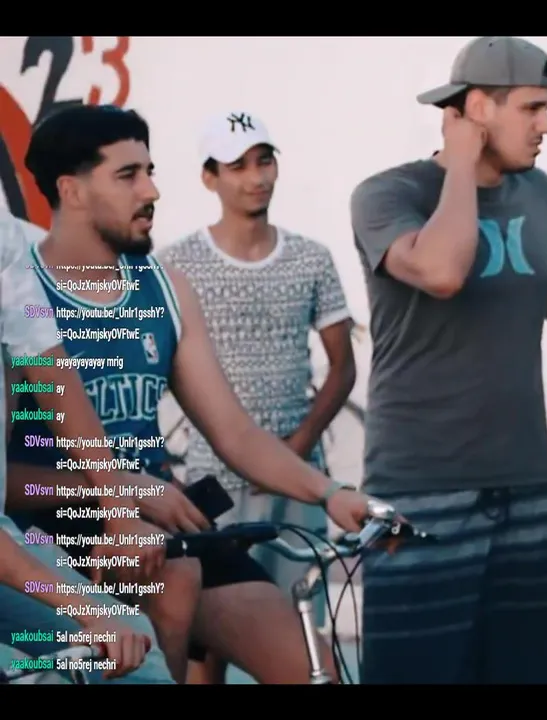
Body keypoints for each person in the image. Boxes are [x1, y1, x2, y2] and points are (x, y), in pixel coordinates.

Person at [6, 104, 375, 684]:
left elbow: (235, 434)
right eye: (128, 176)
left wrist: (330, 493)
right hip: (52, 530)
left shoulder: (164, 288)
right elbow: (7, 481)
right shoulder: (19, 296)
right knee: (166, 597)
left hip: (167, 523)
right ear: (71, 190)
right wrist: (126, 489)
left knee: (314, 670)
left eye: (150, 171)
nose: (152, 191)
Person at [349, 36, 547, 684]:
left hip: (525, 484)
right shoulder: (386, 193)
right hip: (421, 491)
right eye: (532, 108)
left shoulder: (539, 193)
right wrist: (461, 163)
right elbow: (441, 271)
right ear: (479, 108)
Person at [157, 112, 355, 682]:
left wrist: (297, 447)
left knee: (303, 638)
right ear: (209, 177)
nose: (255, 177)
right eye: (237, 165)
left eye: (264, 161)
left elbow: (342, 367)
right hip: (211, 484)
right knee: (210, 644)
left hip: (296, 480)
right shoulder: (176, 263)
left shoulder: (311, 257)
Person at [0, 211, 170, 684]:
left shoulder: (4, 234)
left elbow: (47, 365)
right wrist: (85, 611)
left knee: (137, 654)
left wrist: (119, 508)